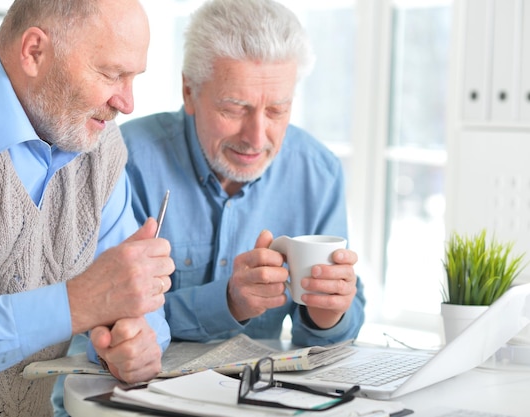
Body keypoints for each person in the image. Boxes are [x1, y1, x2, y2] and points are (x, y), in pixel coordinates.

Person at [0, 0, 174, 416]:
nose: (127, 103)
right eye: (112, 74)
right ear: (34, 51)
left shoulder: (98, 145)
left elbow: (136, 306)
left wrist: (135, 341)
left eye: (133, 78)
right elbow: (91, 298)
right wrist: (77, 305)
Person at [121, 0, 365, 347]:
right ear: (189, 92)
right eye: (235, 109)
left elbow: (331, 331)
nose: (256, 137)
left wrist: (327, 313)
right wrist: (228, 302)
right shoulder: (128, 162)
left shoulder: (318, 173)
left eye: (277, 110)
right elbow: (108, 317)